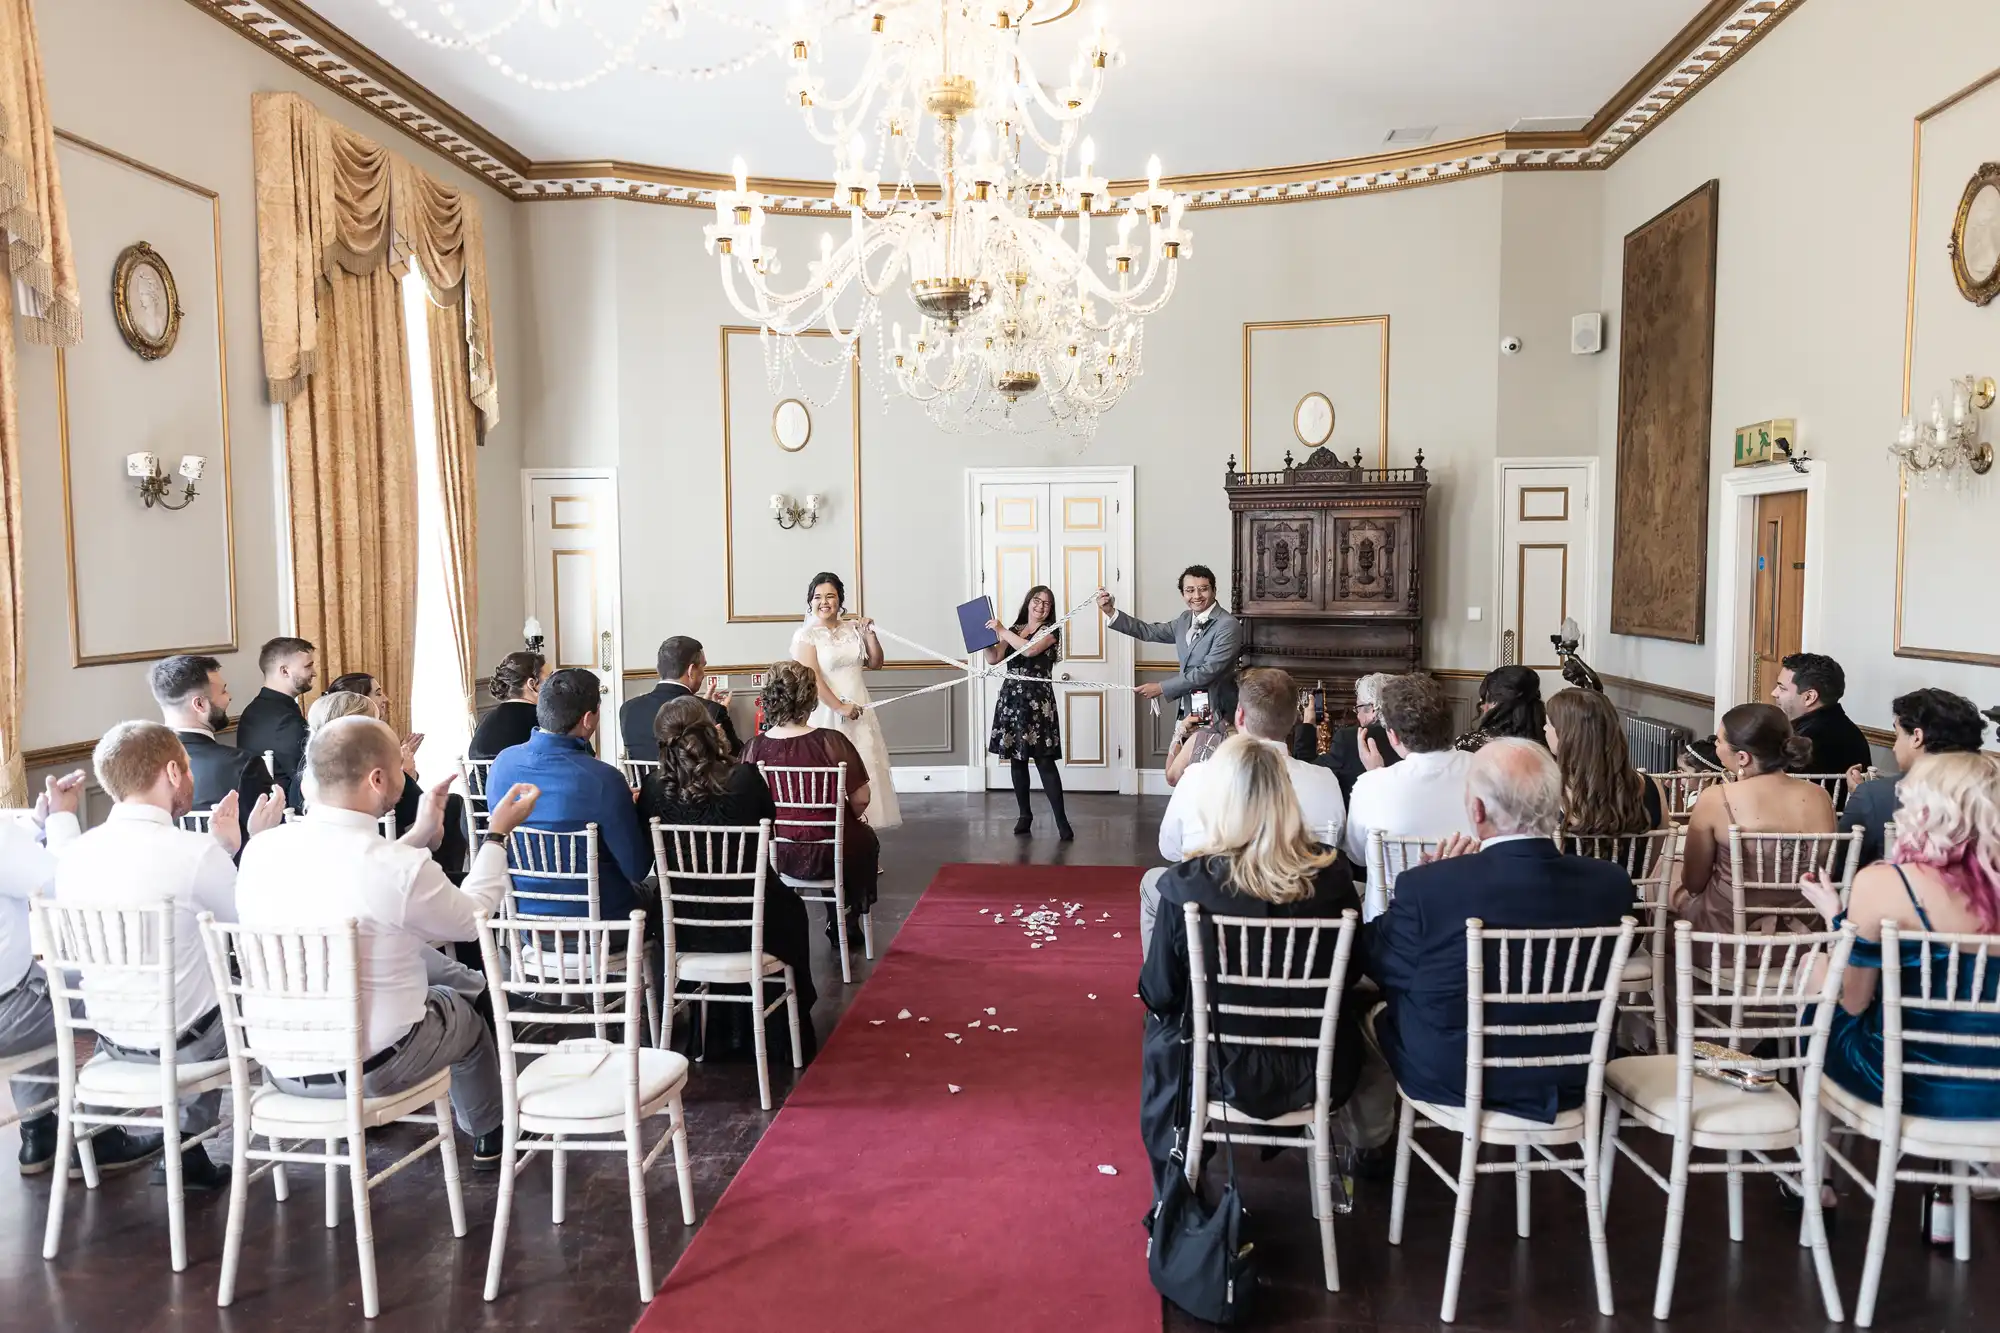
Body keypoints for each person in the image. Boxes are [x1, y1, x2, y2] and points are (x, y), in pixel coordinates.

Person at [236, 716, 542, 1168]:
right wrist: (497, 834)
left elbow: (362, 879)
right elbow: (472, 918)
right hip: (370, 1067)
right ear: (378, 779)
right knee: (464, 1008)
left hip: (279, 1062)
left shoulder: (261, 850)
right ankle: (490, 1137)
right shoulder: (391, 867)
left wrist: (418, 834)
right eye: (400, 765)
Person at [54, 721, 283, 1191]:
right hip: (185, 1045)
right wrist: (252, 847)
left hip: (112, 1040)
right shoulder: (194, 854)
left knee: (192, 987)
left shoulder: (75, 855)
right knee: (242, 992)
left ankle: (186, 1150)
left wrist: (220, 852)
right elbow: (253, 931)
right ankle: (189, 1143)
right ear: (174, 771)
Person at [1364, 739, 1633, 1121]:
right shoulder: (1611, 884)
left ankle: (1370, 1146)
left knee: (1372, 1011)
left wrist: (1436, 880)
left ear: (1476, 810)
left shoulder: (1429, 887)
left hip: (1456, 1075)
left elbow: (1377, 960)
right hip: (1574, 1073)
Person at [1139, 735, 1365, 1188]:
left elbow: (1159, 991)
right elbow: (1354, 971)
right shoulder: (1334, 876)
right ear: (1286, 797)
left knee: (1163, 1026)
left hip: (1217, 1066)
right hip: (1317, 1067)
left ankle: (1182, 1171)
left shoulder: (1188, 885)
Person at [1801, 751, 2000, 1119]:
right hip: (1992, 1084)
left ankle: (1817, 1160)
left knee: (1815, 967)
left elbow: (1854, 1001)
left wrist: (1837, 923)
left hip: (1907, 1081)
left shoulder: (1886, 884)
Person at [643, 696, 817, 1059]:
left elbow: (645, 852)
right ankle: (783, 1028)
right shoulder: (744, 779)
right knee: (793, 909)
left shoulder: (653, 788)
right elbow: (768, 827)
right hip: (750, 921)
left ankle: (714, 1027)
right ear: (711, 731)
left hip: (684, 927)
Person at [1144, 668, 1346, 955]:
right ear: (1294, 720)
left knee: (1154, 883)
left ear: (1240, 716)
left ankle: (1171, 986)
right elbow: (1335, 848)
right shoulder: (1324, 780)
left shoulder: (1198, 776)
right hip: (1300, 936)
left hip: (1213, 930)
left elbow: (1171, 850)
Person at [1, 771, 112, 1177]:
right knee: (116, 993)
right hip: (8, 1017)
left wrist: (37, 821)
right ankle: (98, 1131)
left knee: (38, 982)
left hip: (12, 1005)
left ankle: (39, 1132)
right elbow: (67, 886)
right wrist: (61, 820)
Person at [488, 667, 655, 920]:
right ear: (588, 719)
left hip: (525, 920)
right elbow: (637, 869)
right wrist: (637, 810)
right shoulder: (604, 780)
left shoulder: (502, 763)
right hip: (601, 924)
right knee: (658, 892)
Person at [741, 660, 880, 949]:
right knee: (865, 840)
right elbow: (862, 797)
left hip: (776, 851)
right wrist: (845, 821)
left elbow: (748, 805)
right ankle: (845, 918)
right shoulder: (831, 742)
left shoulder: (753, 749)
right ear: (810, 697)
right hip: (832, 847)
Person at [1672, 702, 1833, 934]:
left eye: (1719, 741)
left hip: (1728, 935)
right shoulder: (1820, 796)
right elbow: (1826, 871)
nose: (1716, 746)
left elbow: (1694, 883)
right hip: (1803, 936)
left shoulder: (1717, 798)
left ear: (1743, 758)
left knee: (1666, 883)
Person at [1343, 673, 1477, 918]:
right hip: (1470, 922)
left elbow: (1358, 855)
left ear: (1392, 735)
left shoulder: (1371, 785)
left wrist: (1376, 775)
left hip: (1390, 924)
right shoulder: (1488, 772)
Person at [789, 572, 900, 830]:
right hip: (827, 713)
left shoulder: (852, 629)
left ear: (840, 600)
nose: (824, 602)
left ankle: (863, 843)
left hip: (860, 709)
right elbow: (812, 677)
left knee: (864, 770)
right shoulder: (806, 636)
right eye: (817, 597)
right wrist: (839, 706)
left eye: (830, 596)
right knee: (831, 774)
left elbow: (875, 663)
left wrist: (870, 635)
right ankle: (832, 841)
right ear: (810, 602)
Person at [1840, 688, 1986, 868]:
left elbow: (1841, 866)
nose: (1894, 748)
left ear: (1917, 737)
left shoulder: (1874, 796)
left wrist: (1865, 799)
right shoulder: (1989, 794)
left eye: (1897, 735)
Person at [1098, 565, 1242, 721]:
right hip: (1186, 704)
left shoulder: (1228, 624)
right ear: (1183, 594)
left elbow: (1208, 671)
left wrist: (1162, 688)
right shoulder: (1185, 619)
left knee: (1202, 744)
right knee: (1184, 743)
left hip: (1215, 705)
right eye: (1190, 590)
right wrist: (1110, 612)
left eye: (1203, 589)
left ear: (1214, 590)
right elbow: (1148, 631)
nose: (1197, 595)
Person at [984, 584, 1071, 840]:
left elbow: (1030, 649)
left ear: (1051, 609)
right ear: (1028, 602)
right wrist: (986, 639)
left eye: (1047, 603)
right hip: (1012, 698)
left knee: (1044, 761)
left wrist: (1001, 631)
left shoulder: (1051, 630)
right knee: (1017, 759)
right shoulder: (1013, 630)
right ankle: (1025, 815)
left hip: (1037, 700)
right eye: (1037, 600)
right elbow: (994, 658)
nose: (1040, 606)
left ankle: (1062, 821)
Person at [150, 653, 276, 821]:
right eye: (223, 691)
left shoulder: (142, 765)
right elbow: (268, 832)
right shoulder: (243, 765)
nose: (229, 696)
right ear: (200, 704)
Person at [1546, 687, 1665, 835]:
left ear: (1568, 735)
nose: (1544, 728)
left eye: (1549, 724)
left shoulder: (1546, 791)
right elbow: (1654, 855)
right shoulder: (1652, 787)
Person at [621, 635, 741, 762]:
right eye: (702, 666)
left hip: (646, 781)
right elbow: (739, 756)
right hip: (692, 782)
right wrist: (713, 710)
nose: (703, 674)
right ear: (691, 671)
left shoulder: (628, 709)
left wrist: (705, 705)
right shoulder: (713, 711)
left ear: (659, 669)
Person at [1295, 671, 1398, 803]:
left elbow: (1306, 773)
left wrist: (1308, 723)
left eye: (1358, 708)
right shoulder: (1407, 738)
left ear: (1372, 709)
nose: (1357, 715)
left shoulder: (1349, 739)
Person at [1772, 651, 1872, 777]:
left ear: (1809, 697)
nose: (1774, 693)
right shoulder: (1850, 731)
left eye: (1782, 688)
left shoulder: (1805, 744)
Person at [235, 636, 315, 787]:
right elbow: (307, 777)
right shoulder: (286, 720)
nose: (314, 672)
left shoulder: (252, 710)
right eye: (308, 666)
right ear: (285, 671)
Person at [468, 651, 545, 761]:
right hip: (519, 778)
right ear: (532, 684)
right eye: (548, 679)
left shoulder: (486, 718)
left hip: (482, 778)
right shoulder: (543, 719)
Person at [1454, 665, 1547, 752]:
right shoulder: (1551, 743)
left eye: (1486, 699)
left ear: (1498, 703)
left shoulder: (1469, 744)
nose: (1482, 706)